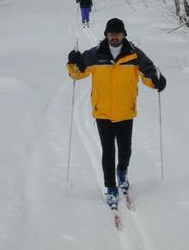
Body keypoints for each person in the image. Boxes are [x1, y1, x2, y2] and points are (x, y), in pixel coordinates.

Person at [66, 18, 166, 209]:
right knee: (108, 152)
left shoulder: (134, 55)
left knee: (125, 149)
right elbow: (77, 73)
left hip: (125, 111)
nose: (114, 37)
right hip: (102, 112)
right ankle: (111, 187)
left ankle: (122, 171)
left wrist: (157, 82)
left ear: (123, 35)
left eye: (117, 34)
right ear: (106, 35)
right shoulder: (96, 54)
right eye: (111, 34)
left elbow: (149, 73)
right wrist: (73, 61)